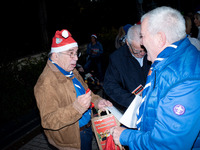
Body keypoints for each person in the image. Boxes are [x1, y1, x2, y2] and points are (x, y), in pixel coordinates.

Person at [110, 6, 200, 149]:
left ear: (159, 38)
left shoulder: (185, 81)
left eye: (143, 35)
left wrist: (126, 136)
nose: (141, 42)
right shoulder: (167, 61)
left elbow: (168, 145)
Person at [34, 29, 112, 150]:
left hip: (87, 130)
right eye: (71, 53)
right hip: (71, 142)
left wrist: (97, 102)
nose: (76, 58)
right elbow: (48, 121)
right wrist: (76, 108)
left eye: (76, 53)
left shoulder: (71, 71)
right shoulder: (45, 83)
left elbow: (87, 93)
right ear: (55, 56)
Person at [103, 25, 151, 111]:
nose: (142, 53)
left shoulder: (153, 51)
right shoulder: (117, 59)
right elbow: (110, 85)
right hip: (133, 107)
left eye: (145, 49)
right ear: (128, 43)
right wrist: (132, 101)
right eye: (137, 51)